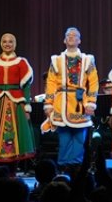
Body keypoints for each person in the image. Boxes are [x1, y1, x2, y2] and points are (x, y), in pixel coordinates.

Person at [42, 27, 99, 176]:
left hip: (81, 103)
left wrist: (91, 103)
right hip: (61, 103)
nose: (72, 37)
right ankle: (63, 168)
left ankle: (76, 168)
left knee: (80, 138)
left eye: (75, 36)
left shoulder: (87, 60)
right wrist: (48, 104)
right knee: (64, 138)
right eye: (69, 35)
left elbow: (93, 82)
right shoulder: (57, 60)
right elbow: (51, 83)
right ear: (64, 40)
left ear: (80, 40)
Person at [0, 32, 36, 174]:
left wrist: (27, 107)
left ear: (15, 44)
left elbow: (26, 87)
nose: (7, 44)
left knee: (15, 134)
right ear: (1, 44)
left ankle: (12, 170)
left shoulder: (22, 62)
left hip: (16, 102)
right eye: (4, 41)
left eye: (10, 41)